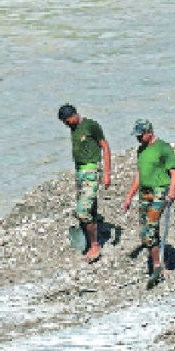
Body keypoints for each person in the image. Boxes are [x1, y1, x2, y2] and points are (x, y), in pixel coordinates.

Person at [121, 119, 175, 284]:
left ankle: (157, 265)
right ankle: (157, 262)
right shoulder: (141, 150)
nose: (138, 138)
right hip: (144, 192)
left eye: (140, 135)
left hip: (160, 191)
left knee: (151, 228)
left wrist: (172, 191)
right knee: (144, 232)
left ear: (149, 133)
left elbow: (174, 172)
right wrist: (129, 196)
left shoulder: (163, 148)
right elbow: (139, 174)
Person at [58, 104, 112, 263]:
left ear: (75, 115)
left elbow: (105, 146)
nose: (67, 124)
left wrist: (107, 173)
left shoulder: (90, 126)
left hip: (91, 170)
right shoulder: (73, 129)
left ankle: (95, 246)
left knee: (82, 211)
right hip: (80, 172)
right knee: (90, 207)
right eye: (65, 123)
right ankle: (90, 238)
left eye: (68, 121)